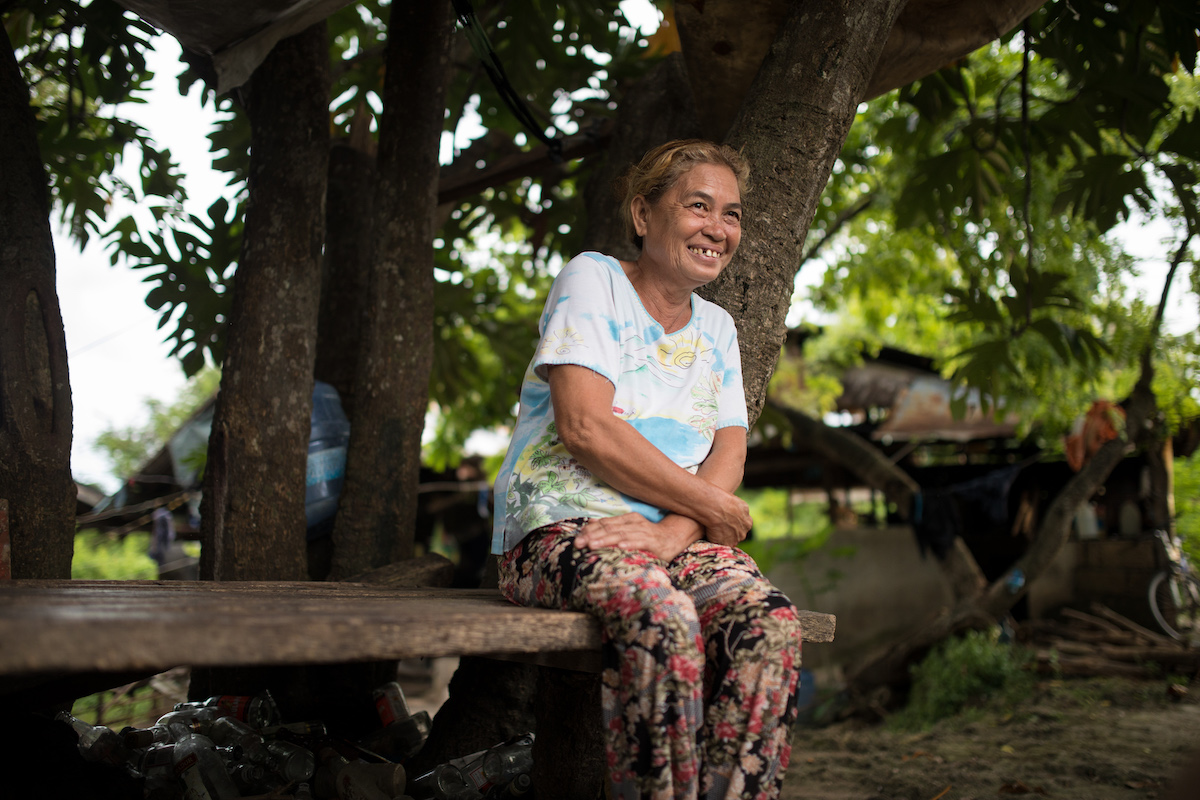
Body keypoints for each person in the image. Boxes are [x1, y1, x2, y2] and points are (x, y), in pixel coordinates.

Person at [491, 139, 804, 800]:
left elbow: (728, 453)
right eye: (698, 206)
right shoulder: (593, 279)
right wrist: (714, 513)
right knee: (661, 618)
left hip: (674, 544)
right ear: (643, 214)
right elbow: (585, 428)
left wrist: (674, 533)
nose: (718, 228)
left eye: (732, 214)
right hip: (566, 528)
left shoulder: (717, 327)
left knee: (769, 626)